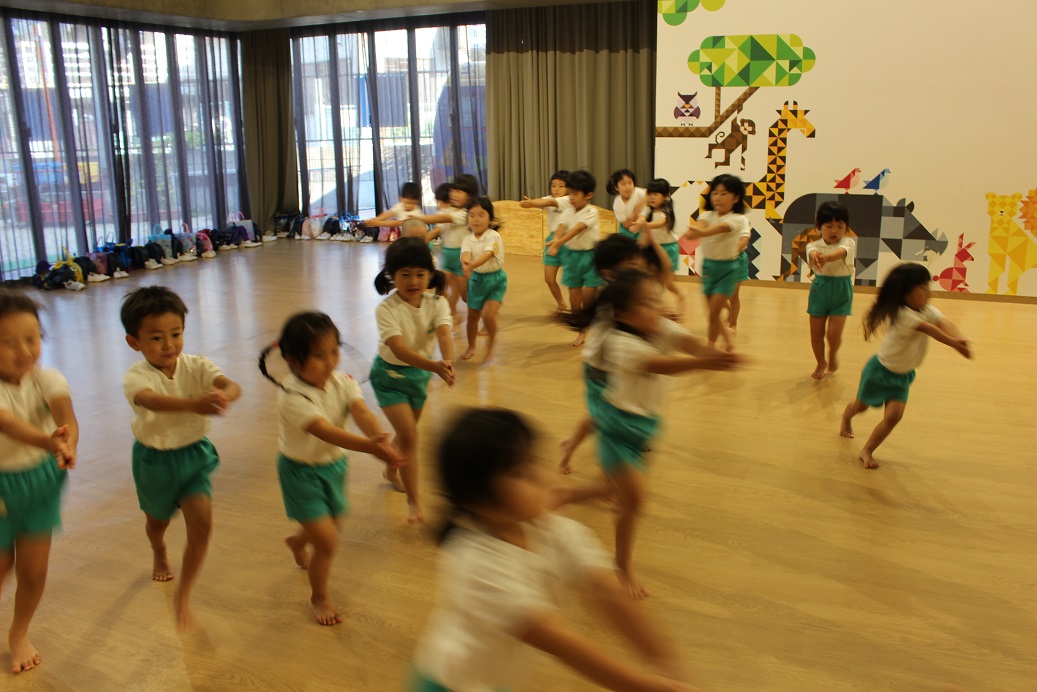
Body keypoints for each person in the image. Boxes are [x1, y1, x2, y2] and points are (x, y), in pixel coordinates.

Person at [409, 407, 699, 692]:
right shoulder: (474, 564)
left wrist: (665, 662)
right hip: (449, 684)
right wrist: (645, 686)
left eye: (534, 458)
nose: (539, 474)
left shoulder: (553, 530)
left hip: (493, 680)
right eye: (518, 472)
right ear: (479, 502)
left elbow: (606, 591)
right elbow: (560, 642)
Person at [560, 271, 740, 599]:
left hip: (645, 427)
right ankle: (621, 564)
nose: (657, 307)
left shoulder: (659, 326)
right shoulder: (618, 342)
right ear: (623, 314)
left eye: (656, 299)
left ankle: (563, 496)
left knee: (613, 489)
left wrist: (710, 353)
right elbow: (656, 364)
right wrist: (702, 364)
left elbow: (689, 343)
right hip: (617, 427)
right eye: (645, 303)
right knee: (635, 501)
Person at [259, 312, 404, 625]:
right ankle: (319, 597)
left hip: (334, 467)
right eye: (319, 355)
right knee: (327, 542)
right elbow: (325, 431)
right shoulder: (291, 396)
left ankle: (298, 541)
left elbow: (361, 411)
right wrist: (372, 448)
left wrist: (378, 437)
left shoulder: (343, 382)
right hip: (300, 473)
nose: (330, 362)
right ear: (292, 360)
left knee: (330, 526)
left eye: (334, 351)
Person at [120, 286, 241, 631]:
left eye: (175, 334)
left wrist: (223, 396)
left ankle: (184, 592)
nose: (169, 345)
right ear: (134, 342)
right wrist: (194, 405)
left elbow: (231, 385)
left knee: (202, 524)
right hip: (153, 462)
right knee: (156, 523)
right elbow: (151, 400)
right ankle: (158, 549)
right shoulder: (136, 377)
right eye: (156, 338)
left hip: (193, 457)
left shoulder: (196, 365)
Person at [0, 289, 78, 674]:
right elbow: (6, 423)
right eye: (8, 342)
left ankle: (19, 633)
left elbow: (66, 415)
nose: (24, 351)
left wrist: (67, 442)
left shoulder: (47, 378)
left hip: (41, 484)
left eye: (31, 339)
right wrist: (48, 441)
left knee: (33, 572)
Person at [557, 234, 670, 474]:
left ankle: (570, 446)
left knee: (599, 415)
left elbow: (665, 273)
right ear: (609, 274)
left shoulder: (631, 294)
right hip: (599, 370)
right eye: (633, 266)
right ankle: (608, 467)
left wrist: (660, 314)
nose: (640, 270)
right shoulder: (612, 304)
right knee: (604, 418)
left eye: (640, 264)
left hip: (616, 368)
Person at [840, 263, 971, 469]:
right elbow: (930, 329)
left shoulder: (926, 310)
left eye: (928, 287)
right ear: (904, 294)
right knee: (860, 406)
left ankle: (867, 450)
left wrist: (959, 337)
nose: (928, 292)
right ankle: (846, 418)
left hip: (902, 376)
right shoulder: (901, 315)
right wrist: (954, 344)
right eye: (922, 288)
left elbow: (942, 322)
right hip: (879, 373)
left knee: (894, 417)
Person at [371, 238, 454, 523]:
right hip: (389, 377)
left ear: (430, 274)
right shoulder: (387, 309)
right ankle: (414, 500)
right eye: (404, 274)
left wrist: (448, 361)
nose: (413, 281)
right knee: (410, 437)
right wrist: (434, 366)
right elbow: (399, 349)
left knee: (406, 434)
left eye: (420, 274)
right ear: (391, 276)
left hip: (418, 376)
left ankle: (391, 468)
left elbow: (444, 334)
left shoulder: (438, 303)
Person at [684, 174, 750, 350]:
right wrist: (695, 230)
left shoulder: (738, 219)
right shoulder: (707, 215)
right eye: (715, 193)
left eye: (724, 193)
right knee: (712, 313)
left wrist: (700, 233)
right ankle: (725, 340)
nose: (718, 197)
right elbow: (702, 225)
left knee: (714, 313)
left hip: (728, 269)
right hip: (708, 267)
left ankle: (710, 346)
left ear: (736, 198)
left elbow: (722, 228)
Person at [549, 170, 604, 348]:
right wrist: (555, 239)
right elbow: (561, 227)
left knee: (588, 298)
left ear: (588, 195)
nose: (571, 198)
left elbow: (577, 229)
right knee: (574, 299)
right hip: (572, 257)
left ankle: (595, 323)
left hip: (590, 256)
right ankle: (582, 330)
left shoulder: (591, 211)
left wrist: (558, 242)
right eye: (570, 194)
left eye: (575, 194)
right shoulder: (567, 211)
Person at [805, 202, 856, 379]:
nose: (835, 231)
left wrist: (826, 258)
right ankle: (821, 362)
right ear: (818, 227)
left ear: (846, 228)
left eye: (840, 226)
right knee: (816, 334)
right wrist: (816, 256)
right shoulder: (813, 246)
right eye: (829, 226)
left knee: (833, 335)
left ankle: (833, 353)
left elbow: (839, 253)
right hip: (820, 290)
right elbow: (812, 254)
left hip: (842, 290)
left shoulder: (848, 242)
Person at [421, 175, 480, 323]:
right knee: (440, 286)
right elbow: (441, 226)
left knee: (465, 296)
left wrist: (417, 218)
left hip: (462, 258)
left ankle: (488, 303)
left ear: (470, 195)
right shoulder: (450, 210)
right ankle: (450, 313)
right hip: (447, 258)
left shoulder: (466, 214)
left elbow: (442, 219)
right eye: (452, 190)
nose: (453, 194)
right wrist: (429, 235)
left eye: (459, 191)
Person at [630, 178, 687, 318]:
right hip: (653, 248)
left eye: (656, 194)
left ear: (665, 197)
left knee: (666, 282)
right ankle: (655, 307)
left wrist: (644, 225)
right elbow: (641, 218)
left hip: (668, 249)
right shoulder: (647, 209)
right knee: (652, 278)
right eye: (650, 194)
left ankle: (680, 295)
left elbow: (661, 223)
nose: (652, 197)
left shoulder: (666, 210)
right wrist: (638, 223)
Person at [518, 169, 572, 314]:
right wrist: (531, 202)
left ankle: (578, 306)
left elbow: (550, 202)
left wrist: (532, 203)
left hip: (568, 241)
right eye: (553, 185)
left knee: (573, 279)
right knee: (549, 278)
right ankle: (561, 304)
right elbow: (543, 201)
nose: (556, 189)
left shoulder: (569, 200)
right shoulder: (549, 198)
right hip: (551, 241)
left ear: (569, 188)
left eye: (561, 186)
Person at [461, 197, 507, 362]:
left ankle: (491, 343)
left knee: (488, 315)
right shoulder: (467, 238)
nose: (476, 219)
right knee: (472, 316)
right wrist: (466, 263)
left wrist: (472, 265)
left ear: (490, 219)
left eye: (481, 215)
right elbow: (465, 253)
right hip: (477, 280)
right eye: (472, 215)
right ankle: (471, 346)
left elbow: (488, 254)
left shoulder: (493, 236)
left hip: (496, 281)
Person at [607, 169, 647, 240]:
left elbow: (649, 195)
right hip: (626, 230)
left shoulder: (638, 192)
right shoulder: (617, 203)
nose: (628, 187)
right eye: (623, 184)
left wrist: (639, 206)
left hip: (642, 228)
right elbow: (626, 224)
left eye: (630, 183)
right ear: (616, 187)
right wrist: (636, 212)